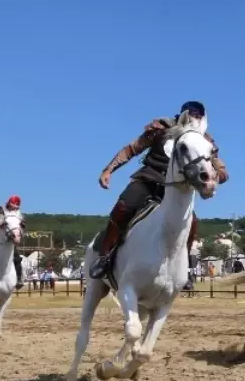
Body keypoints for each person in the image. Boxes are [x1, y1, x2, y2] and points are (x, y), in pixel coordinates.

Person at [91, 101, 228, 279]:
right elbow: (131, 149)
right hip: (148, 180)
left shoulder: (204, 140)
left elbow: (217, 164)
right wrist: (109, 169)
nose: (195, 118)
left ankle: (183, 270)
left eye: (199, 115)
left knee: (192, 223)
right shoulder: (161, 129)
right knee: (123, 207)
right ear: (183, 114)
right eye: (192, 114)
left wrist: (219, 173)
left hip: (175, 190)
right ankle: (105, 258)